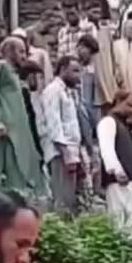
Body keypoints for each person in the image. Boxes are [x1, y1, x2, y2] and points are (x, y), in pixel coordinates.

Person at [0, 36, 47, 202]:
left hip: (18, 129)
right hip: (6, 129)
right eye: (21, 52)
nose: (24, 56)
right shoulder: (1, 67)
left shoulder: (14, 73)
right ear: (9, 51)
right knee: (8, 166)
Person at [97, 91, 132, 239]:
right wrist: (115, 169)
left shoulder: (128, 126)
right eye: (129, 105)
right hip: (119, 181)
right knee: (119, 222)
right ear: (117, 102)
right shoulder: (108, 122)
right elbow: (106, 147)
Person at [41, 56, 86, 215]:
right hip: (60, 152)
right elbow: (54, 123)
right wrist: (66, 152)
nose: (78, 76)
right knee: (62, 200)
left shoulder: (67, 92)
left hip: (71, 151)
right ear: (62, 70)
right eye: (74, 71)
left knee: (70, 200)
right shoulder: (53, 90)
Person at [86, 2, 120, 124]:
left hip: (106, 74)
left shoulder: (106, 31)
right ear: (87, 12)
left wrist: (114, 73)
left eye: (98, 12)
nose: (96, 15)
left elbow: (112, 54)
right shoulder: (85, 30)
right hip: (90, 75)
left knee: (108, 105)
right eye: (93, 12)